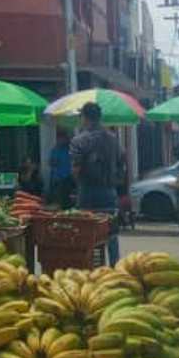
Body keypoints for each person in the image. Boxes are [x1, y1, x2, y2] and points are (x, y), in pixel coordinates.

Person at [70, 102, 122, 264]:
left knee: (88, 234)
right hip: (109, 191)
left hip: (87, 193)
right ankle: (115, 270)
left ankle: (91, 270)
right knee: (111, 234)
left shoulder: (79, 140)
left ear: (85, 118)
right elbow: (122, 163)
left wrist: (75, 184)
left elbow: (76, 169)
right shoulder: (113, 139)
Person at [49, 132, 73, 208]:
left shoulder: (69, 149)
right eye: (59, 139)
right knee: (60, 197)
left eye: (63, 139)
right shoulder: (55, 150)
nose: (61, 141)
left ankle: (66, 209)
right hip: (58, 177)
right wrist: (54, 162)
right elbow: (50, 162)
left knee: (66, 197)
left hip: (68, 176)